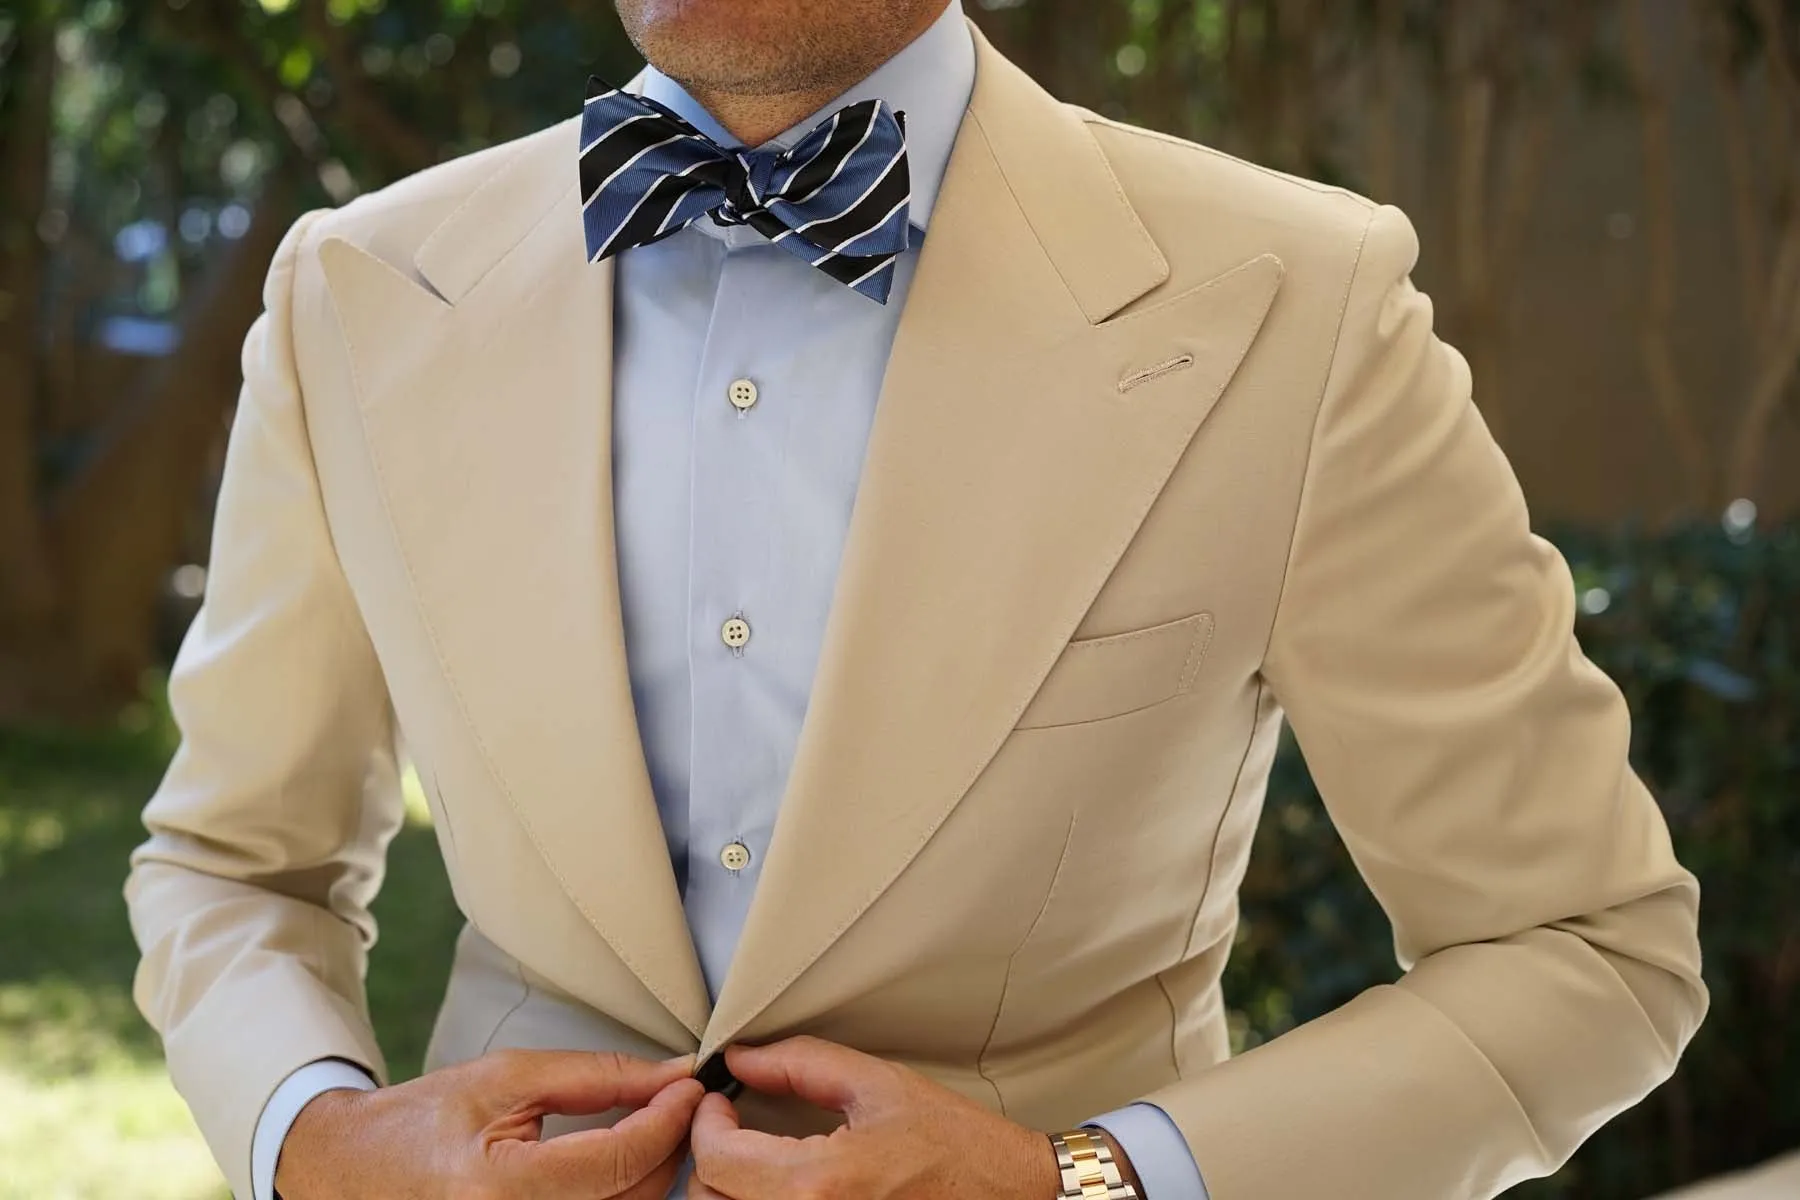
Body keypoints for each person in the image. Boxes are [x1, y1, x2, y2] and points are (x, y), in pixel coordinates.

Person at [125, 1, 1709, 1197]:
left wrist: (1082, 1183)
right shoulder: (357, 292)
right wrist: (312, 1138)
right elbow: (232, 866)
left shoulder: (1302, 305)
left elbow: (1582, 946)